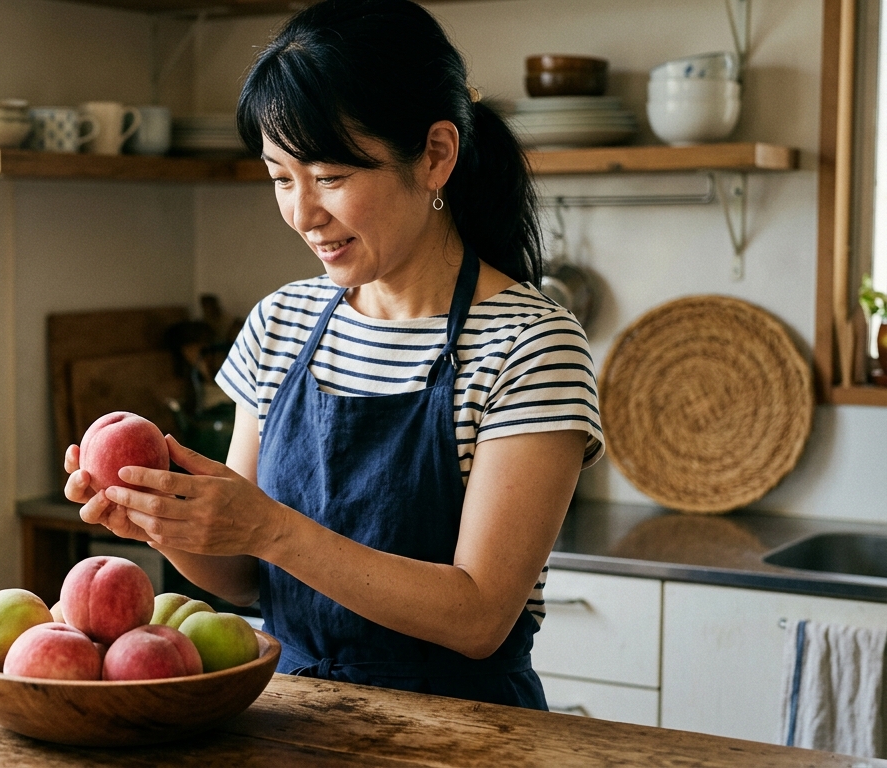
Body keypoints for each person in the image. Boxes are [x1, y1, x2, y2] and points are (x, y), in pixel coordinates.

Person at [63, 0, 604, 710]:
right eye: (281, 177)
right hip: (288, 717)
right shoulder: (280, 322)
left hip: (464, 736)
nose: (303, 212)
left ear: (436, 155)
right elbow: (248, 578)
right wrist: (166, 524)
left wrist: (270, 526)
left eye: (331, 176)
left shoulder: (532, 346)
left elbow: (478, 617)